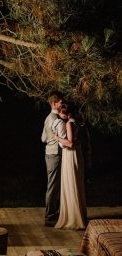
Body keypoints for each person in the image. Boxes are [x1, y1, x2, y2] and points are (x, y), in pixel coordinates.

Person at [55, 105, 88, 230]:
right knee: (76, 183)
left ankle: (73, 218)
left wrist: (57, 138)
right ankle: (79, 215)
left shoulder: (69, 123)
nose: (59, 116)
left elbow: (70, 143)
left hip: (71, 154)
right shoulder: (77, 122)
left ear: (66, 114)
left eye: (61, 114)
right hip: (77, 154)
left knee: (71, 182)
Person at [41, 92, 65, 227]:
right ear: (53, 104)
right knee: (53, 186)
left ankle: (54, 214)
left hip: (49, 153)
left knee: (54, 185)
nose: (62, 104)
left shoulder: (48, 118)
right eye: (60, 103)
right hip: (55, 154)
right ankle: (50, 217)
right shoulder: (55, 119)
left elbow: (43, 138)